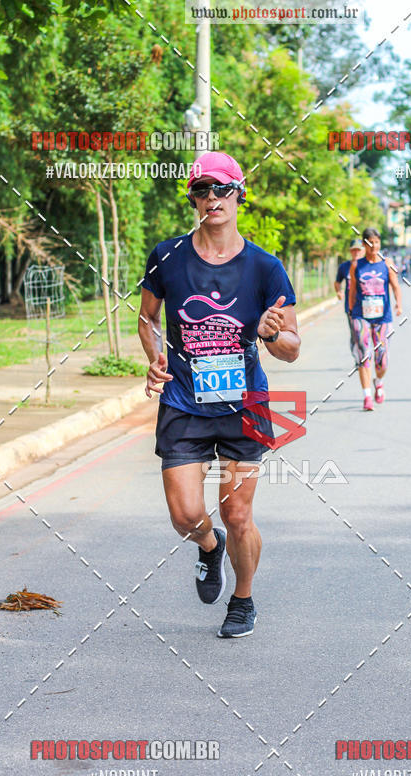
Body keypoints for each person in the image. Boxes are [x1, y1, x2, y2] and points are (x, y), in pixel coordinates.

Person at [139, 151, 300, 638]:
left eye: (222, 189)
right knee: (186, 514)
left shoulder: (265, 267)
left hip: (244, 404)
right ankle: (210, 548)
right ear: (193, 197)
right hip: (184, 401)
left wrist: (272, 334)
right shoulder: (167, 255)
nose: (213, 198)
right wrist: (154, 356)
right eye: (203, 190)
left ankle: (243, 600)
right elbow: (147, 318)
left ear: (239, 195)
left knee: (238, 510)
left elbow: (291, 349)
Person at [348, 227, 402, 408]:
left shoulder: (387, 263)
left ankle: (378, 382)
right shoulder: (357, 265)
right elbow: (353, 290)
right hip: (360, 314)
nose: (374, 246)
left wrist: (398, 304)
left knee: (382, 358)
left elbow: (395, 286)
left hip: (383, 317)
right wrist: (350, 309)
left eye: (377, 242)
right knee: (364, 353)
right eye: (370, 243)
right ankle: (367, 396)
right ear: (364, 244)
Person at [335, 238, 366, 383]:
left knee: (365, 334)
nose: (356, 252)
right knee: (356, 334)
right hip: (351, 307)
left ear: (363, 251)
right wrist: (339, 292)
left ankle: (366, 355)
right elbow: (337, 282)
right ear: (350, 251)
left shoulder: (367, 266)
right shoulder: (344, 267)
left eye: (358, 250)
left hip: (367, 307)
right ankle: (359, 357)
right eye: (354, 250)